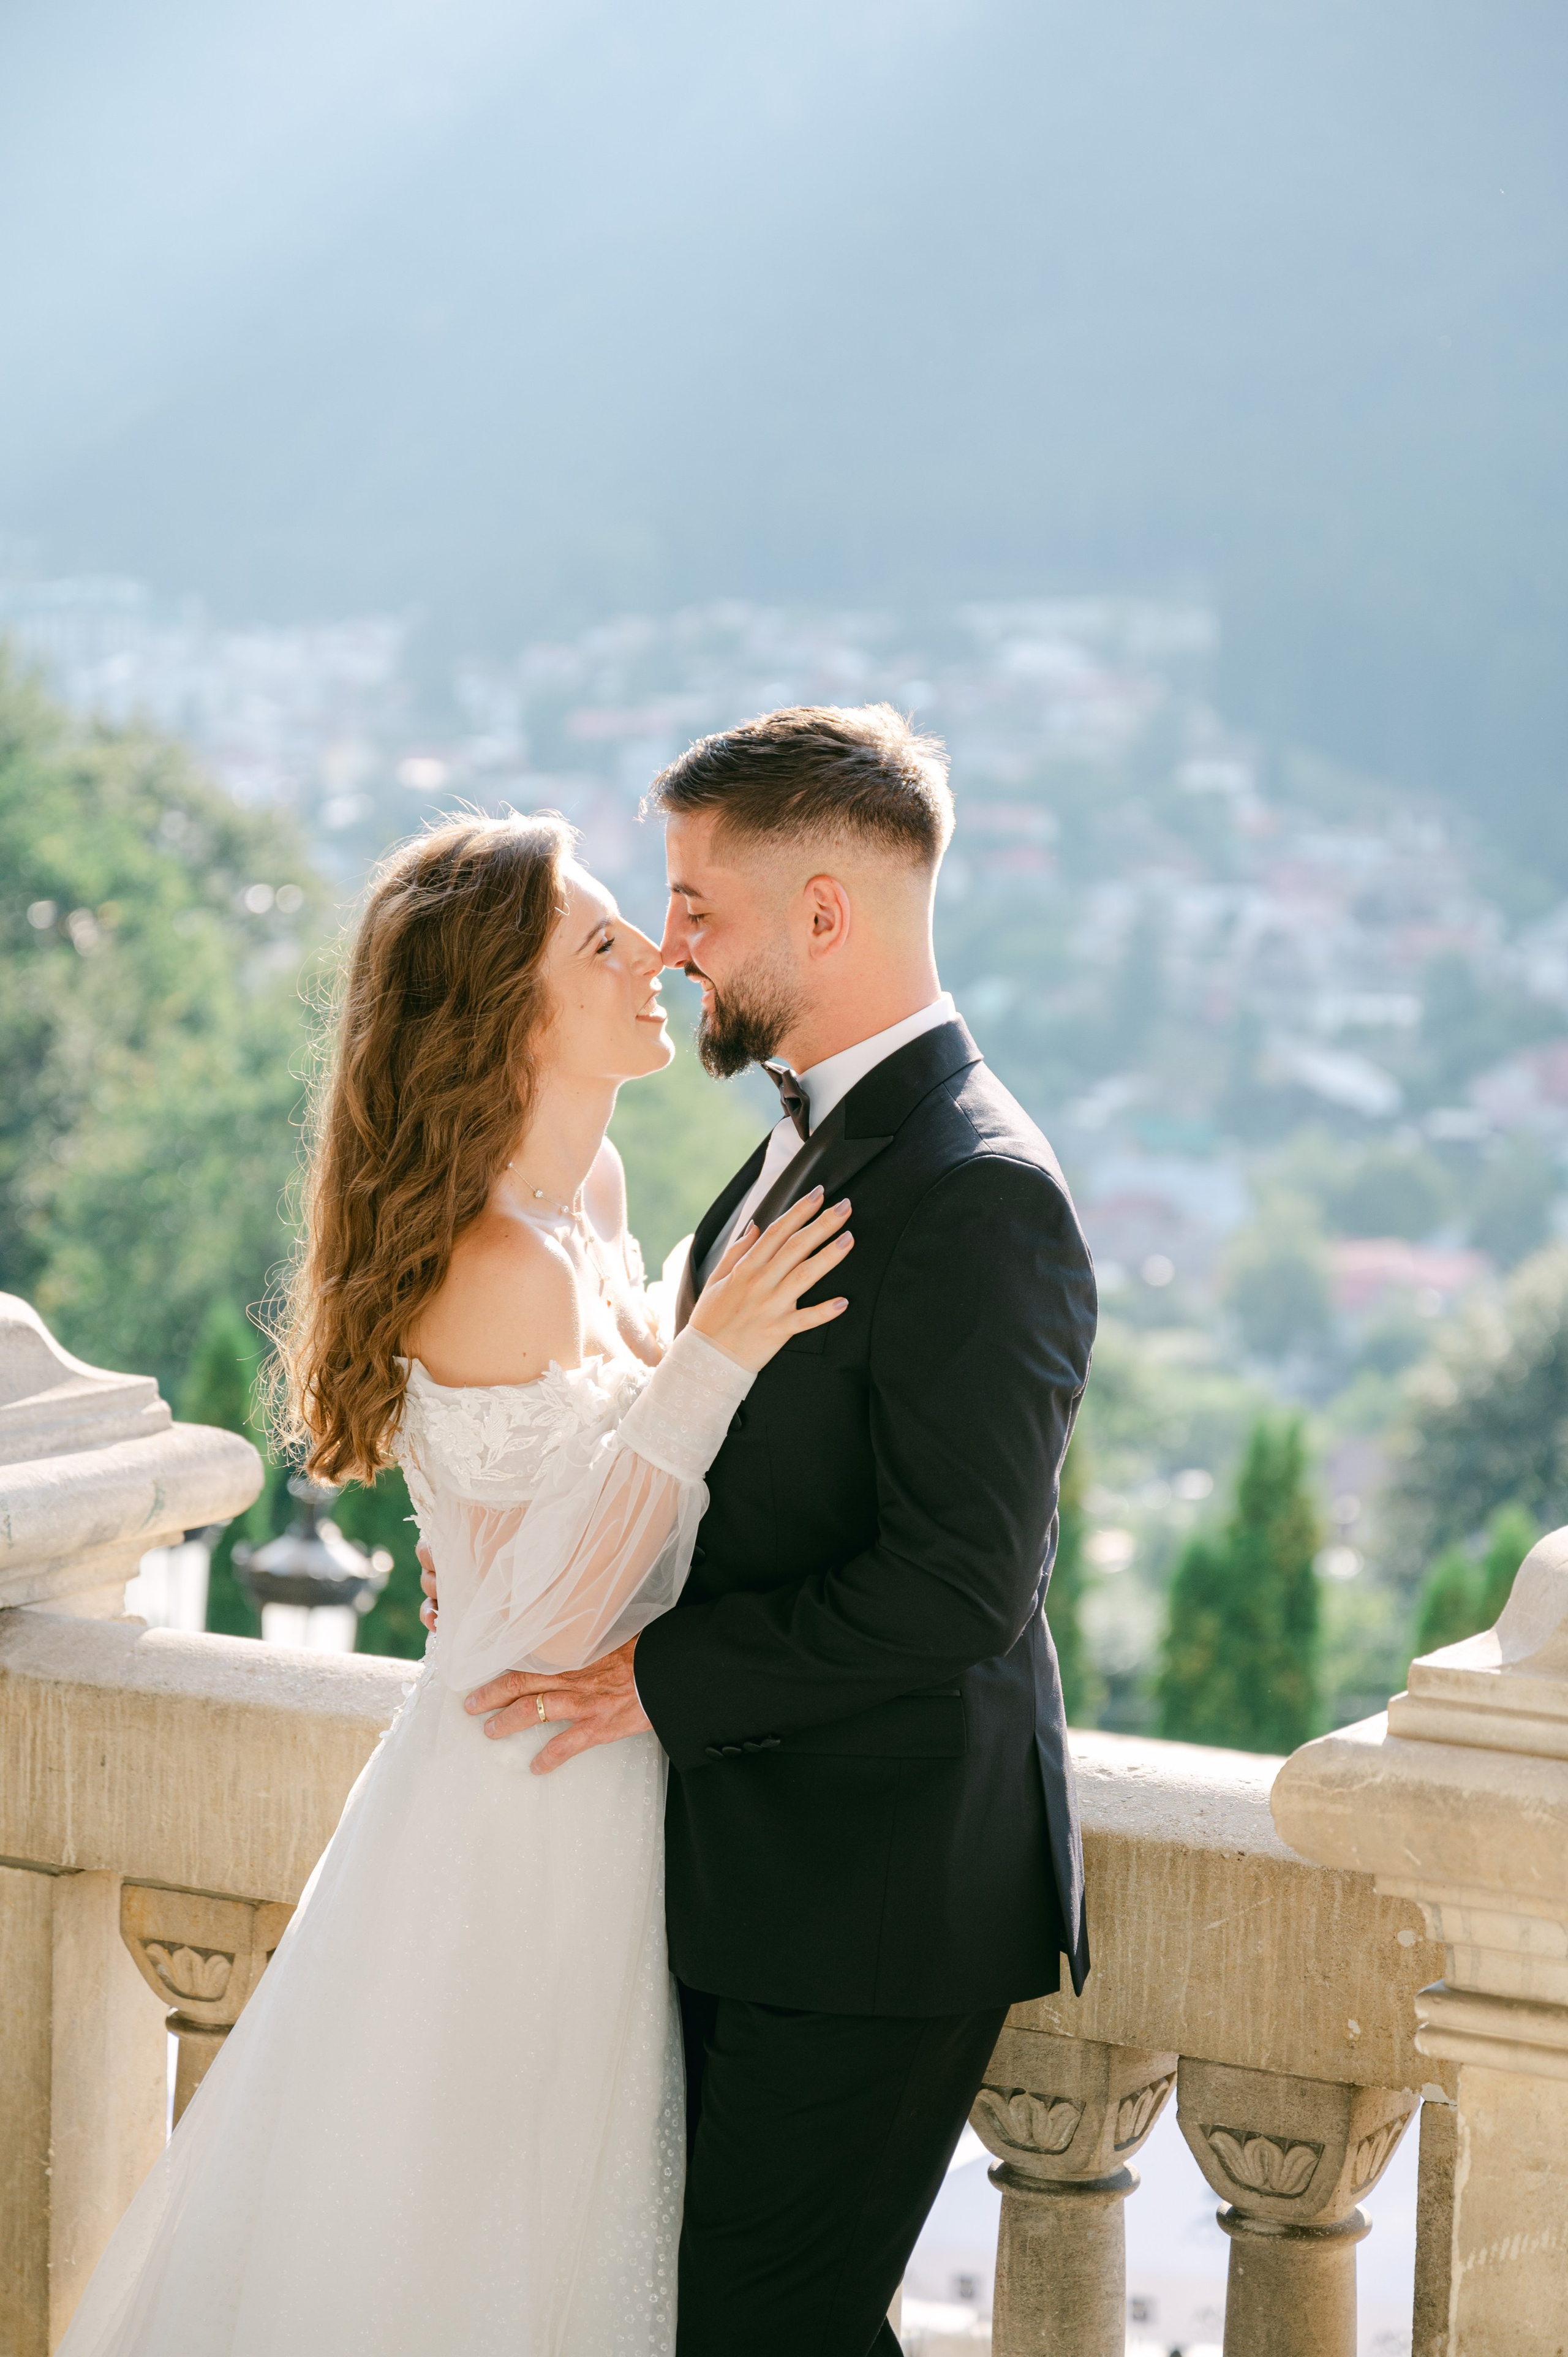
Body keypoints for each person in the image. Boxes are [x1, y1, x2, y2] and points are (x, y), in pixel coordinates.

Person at [56, 812, 851, 2357]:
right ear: (508, 1011)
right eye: (603, 945)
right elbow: (551, 1618)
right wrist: (716, 1356)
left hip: (607, 1773)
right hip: (523, 1791)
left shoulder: (598, 1200)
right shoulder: (499, 1264)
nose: (656, 959)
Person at [432, 704, 1098, 2357]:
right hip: (748, 1871)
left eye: (701, 906)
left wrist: (658, 1677)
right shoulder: (792, 1143)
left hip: (875, 1896)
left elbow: (957, 1589)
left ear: (824, 913)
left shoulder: (977, 1190)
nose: (674, 945)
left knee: (754, 2325)